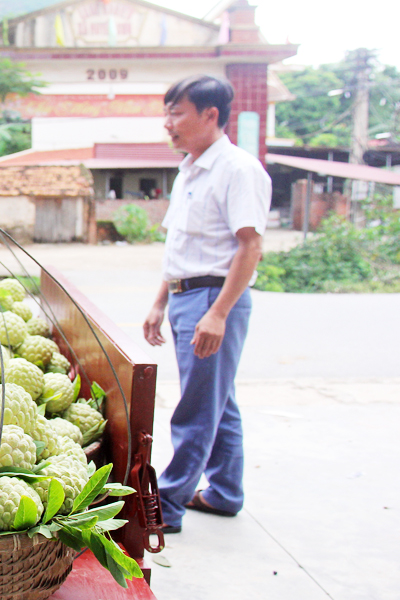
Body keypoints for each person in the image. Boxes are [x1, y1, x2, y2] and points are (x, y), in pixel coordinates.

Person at [142, 75, 271, 534]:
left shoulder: (238, 169)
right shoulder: (190, 169)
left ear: (210, 115)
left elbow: (250, 246)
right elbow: (181, 245)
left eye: (177, 112)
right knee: (219, 400)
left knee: (197, 406)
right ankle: (224, 492)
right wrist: (160, 301)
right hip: (185, 294)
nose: (168, 124)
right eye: (167, 112)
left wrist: (217, 313)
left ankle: (168, 507)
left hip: (215, 298)